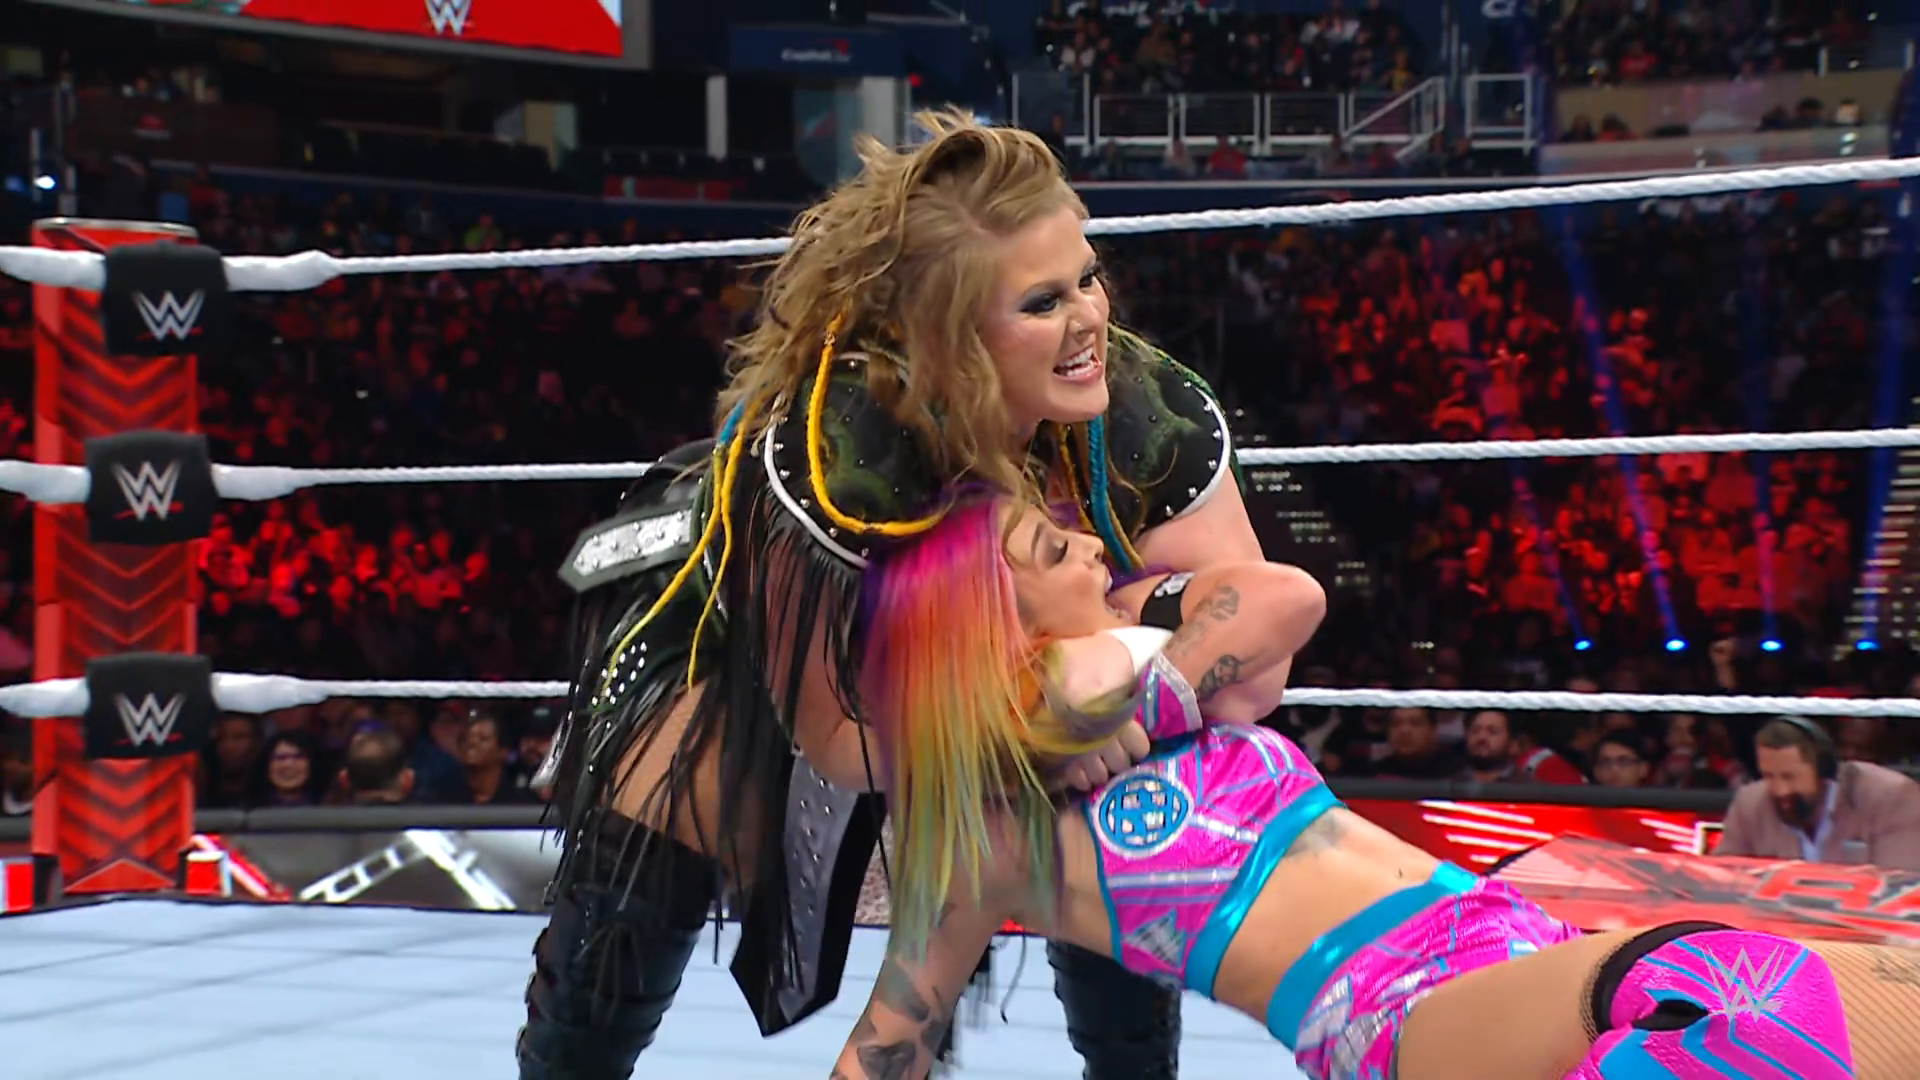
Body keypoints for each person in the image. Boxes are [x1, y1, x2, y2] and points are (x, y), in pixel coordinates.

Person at [517, 109, 1328, 1080]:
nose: (1089, 321)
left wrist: (1108, 693)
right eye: (1042, 302)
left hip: (993, 668)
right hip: (751, 652)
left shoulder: (1150, 415)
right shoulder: (834, 455)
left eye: (1087, 277)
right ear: (950, 334)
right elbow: (837, 736)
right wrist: (1045, 719)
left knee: (1133, 759)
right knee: (677, 784)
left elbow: (1257, 664)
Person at [827, 497, 1892, 1080]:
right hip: (1397, 1006)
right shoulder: (992, 824)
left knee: (1897, 995)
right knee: (1753, 996)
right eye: (1054, 547)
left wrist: (1143, 696)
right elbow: (890, 1040)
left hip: (1512, 940)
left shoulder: (1156, 666)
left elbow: (1287, 596)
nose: (1092, 546)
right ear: (987, 615)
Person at [1715, 716, 1920, 871]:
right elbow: (1721, 879)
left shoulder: (1892, 799)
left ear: (1823, 769)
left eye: (1789, 777)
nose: (1780, 790)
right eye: (1769, 776)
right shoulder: (1750, 804)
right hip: (1770, 916)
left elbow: (1900, 886)